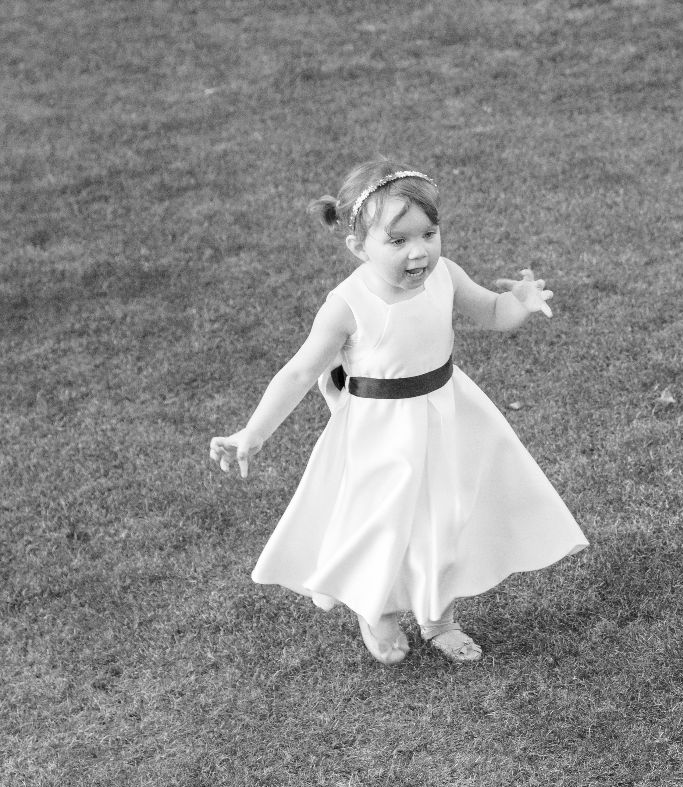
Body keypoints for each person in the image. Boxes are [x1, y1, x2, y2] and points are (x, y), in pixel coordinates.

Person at [208, 158, 588, 664]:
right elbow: (299, 373)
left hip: (445, 419)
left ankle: (439, 617)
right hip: (380, 434)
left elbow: (492, 312)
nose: (419, 251)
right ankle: (378, 610)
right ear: (358, 247)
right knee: (383, 526)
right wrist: (253, 432)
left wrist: (518, 302)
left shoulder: (445, 276)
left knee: (445, 521)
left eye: (429, 233)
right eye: (398, 241)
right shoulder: (347, 305)